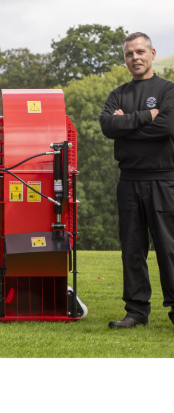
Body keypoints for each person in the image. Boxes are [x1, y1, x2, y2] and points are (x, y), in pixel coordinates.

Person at [100, 32, 174, 328]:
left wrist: (127, 124)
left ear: (152, 53)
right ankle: (136, 311)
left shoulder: (168, 90)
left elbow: (167, 125)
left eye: (140, 52)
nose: (135, 58)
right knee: (132, 248)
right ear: (125, 59)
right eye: (130, 54)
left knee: (169, 248)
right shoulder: (118, 93)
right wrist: (147, 116)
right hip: (128, 181)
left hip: (164, 181)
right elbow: (108, 126)